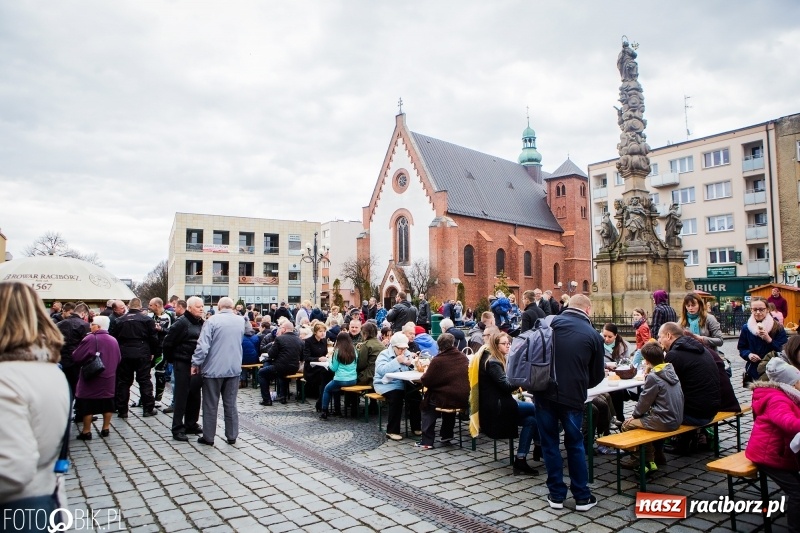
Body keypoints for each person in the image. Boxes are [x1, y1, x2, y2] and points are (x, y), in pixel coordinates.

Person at [0, 282, 71, 529]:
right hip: (48, 495)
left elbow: (10, 468)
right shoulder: (51, 369)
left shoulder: (6, 378)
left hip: (15, 507)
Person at [535, 294, 604, 511]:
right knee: (575, 445)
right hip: (573, 397)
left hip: (544, 392)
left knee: (549, 444)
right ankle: (582, 496)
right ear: (588, 310)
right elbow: (597, 375)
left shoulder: (548, 323)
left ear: (567, 307)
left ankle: (556, 495)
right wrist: (580, 382)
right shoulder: (593, 335)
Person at [746, 335, 800, 533]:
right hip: (768, 455)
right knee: (797, 492)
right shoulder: (778, 399)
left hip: (779, 451)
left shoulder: (788, 395)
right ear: (792, 383)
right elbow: (788, 422)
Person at [469, 331, 540, 474]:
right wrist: (522, 377)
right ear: (496, 345)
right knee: (538, 408)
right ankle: (541, 445)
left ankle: (520, 460)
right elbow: (506, 386)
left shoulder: (492, 357)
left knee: (532, 420)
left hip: (498, 404)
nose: (508, 346)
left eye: (509, 343)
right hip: (498, 408)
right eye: (504, 343)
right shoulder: (493, 361)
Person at [620, 343, 683, 474]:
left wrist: (635, 415)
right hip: (676, 417)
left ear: (647, 361)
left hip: (664, 420)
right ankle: (652, 459)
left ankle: (639, 460)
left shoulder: (654, 377)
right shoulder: (670, 370)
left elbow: (644, 401)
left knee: (627, 425)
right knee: (642, 422)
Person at [191, 297, 245, 446]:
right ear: (232, 306)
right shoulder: (240, 320)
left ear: (218, 306)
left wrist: (196, 363)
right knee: (231, 404)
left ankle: (209, 437)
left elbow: (203, 346)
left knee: (210, 404)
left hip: (213, 369)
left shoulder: (212, 321)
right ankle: (232, 435)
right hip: (233, 368)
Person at [71, 315, 122, 440]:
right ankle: (105, 428)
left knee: (87, 404)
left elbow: (77, 356)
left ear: (98, 326)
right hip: (109, 376)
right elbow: (119, 358)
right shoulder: (113, 340)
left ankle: (86, 431)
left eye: (92, 324)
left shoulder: (90, 339)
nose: (90, 326)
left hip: (91, 376)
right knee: (107, 402)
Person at [162, 296, 204, 442]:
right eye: (198, 306)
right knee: (181, 396)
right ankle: (178, 428)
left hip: (196, 363)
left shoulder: (200, 323)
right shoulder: (181, 323)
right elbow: (167, 343)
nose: (201, 309)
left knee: (195, 394)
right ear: (190, 308)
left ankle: (191, 424)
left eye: (202, 306)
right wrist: (173, 360)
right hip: (182, 362)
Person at [418, 333, 469, 449]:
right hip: (463, 396)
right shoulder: (462, 357)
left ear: (439, 345)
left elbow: (426, 380)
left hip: (448, 397)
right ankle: (447, 435)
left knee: (428, 403)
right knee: (446, 397)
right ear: (453, 344)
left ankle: (427, 441)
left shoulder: (438, 360)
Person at [110, 298, 160, 418]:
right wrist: (153, 352)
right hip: (142, 352)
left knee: (124, 382)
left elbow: (113, 337)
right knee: (144, 380)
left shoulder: (119, 320)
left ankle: (122, 410)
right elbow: (154, 338)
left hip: (124, 353)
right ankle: (148, 408)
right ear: (140, 306)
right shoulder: (147, 320)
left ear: (129, 306)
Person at [373, 332, 422, 440]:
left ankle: (416, 427)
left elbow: (411, 370)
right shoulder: (384, 354)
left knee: (416, 396)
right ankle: (392, 431)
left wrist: (411, 364)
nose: (403, 351)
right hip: (385, 384)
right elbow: (381, 371)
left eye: (404, 348)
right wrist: (396, 361)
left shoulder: (407, 353)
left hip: (403, 382)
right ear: (393, 346)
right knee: (396, 397)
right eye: (400, 349)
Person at [738, 296, 788, 385]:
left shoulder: (777, 327)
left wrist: (769, 340)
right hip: (754, 370)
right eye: (755, 309)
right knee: (757, 396)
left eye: (761, 309)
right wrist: (749, 355)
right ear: (751, 310)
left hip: (774, 370)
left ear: (767, 309)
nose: (758, 312)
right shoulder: (746, 328)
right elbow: (742, 348)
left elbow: (784, 349)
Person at [259, 320, 303, 406]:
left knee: (261, 373)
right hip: (294, 368)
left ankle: (266, 399)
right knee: (281, 374)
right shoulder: (299, 340)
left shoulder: (279, 339)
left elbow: (271, 354)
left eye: (281, 327)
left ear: (284, 329)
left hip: (280, 367)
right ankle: (283, 396)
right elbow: (302, 357)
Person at [56, 301, 91, 404]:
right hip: (77, 361)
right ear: (84, 314)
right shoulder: (84, 325)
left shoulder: (60, 324)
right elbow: (87, 345)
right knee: (79, 387)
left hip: (61, 360)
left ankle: (66, 409)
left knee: (64, 387)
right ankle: (80, 412)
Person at [320, 332, 358, 420]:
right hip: (353, 379)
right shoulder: (354, 350)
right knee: (335, 388)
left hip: (340, 379)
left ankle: (324, 411)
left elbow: (333, 368)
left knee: (327, 389)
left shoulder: (337, 351)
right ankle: (345, 409)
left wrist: (329, 361)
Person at [303, 322, 331, 411]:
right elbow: (306, 357)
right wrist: (318, 359)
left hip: (321, 367)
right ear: (315, 332)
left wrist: (326, 357)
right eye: (320, 331)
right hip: (311, 369)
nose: (323, 333)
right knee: (324, 376)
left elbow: (325, 353)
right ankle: (321, 402)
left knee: (328, 374)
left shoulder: (323, 341)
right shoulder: (308, 341)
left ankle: (321, 402)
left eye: (324, 331)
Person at [356, 322, 383, 386]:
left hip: (369, 377)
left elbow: (361, 365)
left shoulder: (366, 345)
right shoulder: (381, 344)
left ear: (365, 334)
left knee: (348, 380)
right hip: (380, 376)